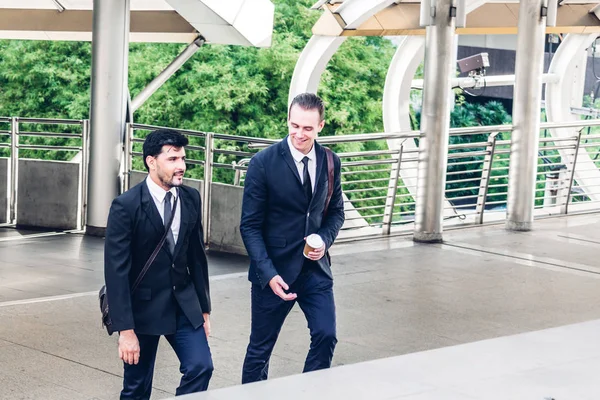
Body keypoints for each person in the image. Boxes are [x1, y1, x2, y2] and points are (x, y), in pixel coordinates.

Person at [240, 92, 345, 383]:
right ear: (288, 120)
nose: (299, 133)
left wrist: (324, 241)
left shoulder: (330, 161)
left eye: (308, 128)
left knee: (326, 335)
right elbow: (249, 226)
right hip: (273, 272)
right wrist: (268, 274)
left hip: (315, 271)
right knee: (260, 350)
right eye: (294, 125)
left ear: (321, 126)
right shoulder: (262, 163)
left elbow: (336, 212)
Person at [104, 129, 213, 399]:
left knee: (201, 367)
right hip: (142, 309)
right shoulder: (126, 206)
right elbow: (116, 273)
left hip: (184, 305)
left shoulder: (190, 198)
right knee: (137, 389)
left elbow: (197, 258)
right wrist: (125, 331)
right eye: (173, 159)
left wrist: (205, 310)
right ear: (151, 162)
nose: (181, 166)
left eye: (183, 159)